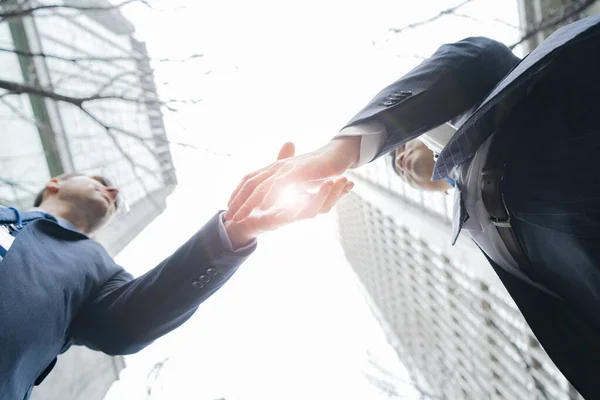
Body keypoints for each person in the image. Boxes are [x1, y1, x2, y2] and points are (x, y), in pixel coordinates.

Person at [225, 14, 600, 398]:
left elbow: (480, 57)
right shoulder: (477, 233)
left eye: (402, 148)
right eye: (399, 170)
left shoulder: (494, 101)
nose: (400, 161)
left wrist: (342, 151)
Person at [0, 142, 353, 400]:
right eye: (99, 179)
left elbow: (131, 322)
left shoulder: (99, 272)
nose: (112, 190)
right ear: (55, 183)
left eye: (114, 193)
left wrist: (232, 232)